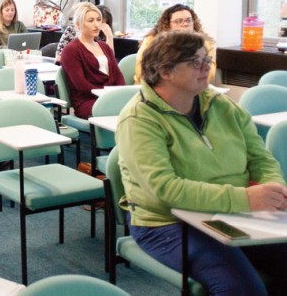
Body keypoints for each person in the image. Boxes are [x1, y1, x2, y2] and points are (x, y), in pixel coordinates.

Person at [117, 31, 287, 296]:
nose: (207, 67)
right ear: (166, 71)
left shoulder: (224, 106)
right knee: (241, 289)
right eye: (195, 62)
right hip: (167, 224)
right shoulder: (139, 119)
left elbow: (260, 157)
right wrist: (246, 199)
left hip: (231, 213)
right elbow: (165, 189)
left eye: (207, 59)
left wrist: (274, 188)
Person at [60, 2, 124, 119]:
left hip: (108, 97)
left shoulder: (104, 47)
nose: (96, 25)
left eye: (98, 20)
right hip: (87, 101)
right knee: (121, 110)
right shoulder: (71, 50)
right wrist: (107, 95)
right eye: (90, 21)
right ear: (78, 24)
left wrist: (119, 95)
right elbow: (81, 84)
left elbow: (117, 74)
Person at [133, 3, 216, 84]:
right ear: (168, 25)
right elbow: (141, 71)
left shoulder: (205, 42)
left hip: (192, 89)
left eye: (189, 20)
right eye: (179, 21)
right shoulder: (152, 40)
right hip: (154, 89)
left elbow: (209, 72)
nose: (185, 24)